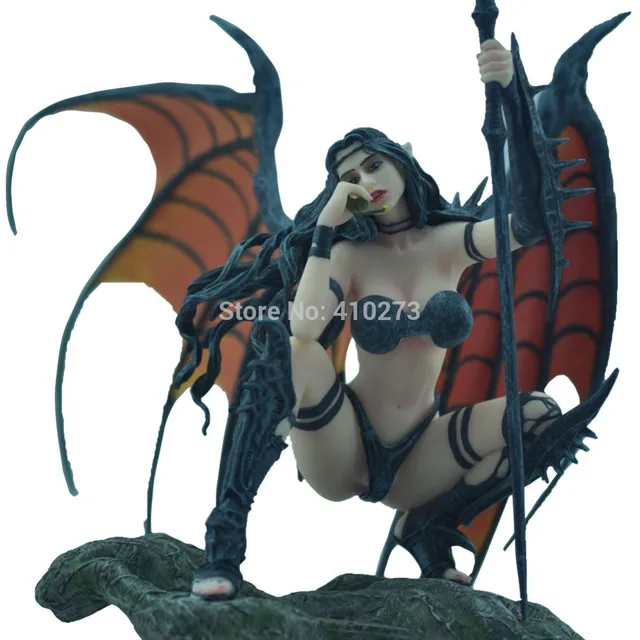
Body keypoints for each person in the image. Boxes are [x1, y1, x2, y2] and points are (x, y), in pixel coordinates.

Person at [173, 37, 616, 601]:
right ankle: (224, 540)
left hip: (422, 455)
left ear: (401, 159)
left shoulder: (448, 243)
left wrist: (510, 94)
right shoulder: (350, 255)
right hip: (341, 443)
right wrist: (326, 231)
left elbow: (528, 224)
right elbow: (305, 327)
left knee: (540, 416)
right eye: (350, 178)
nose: (366, 180)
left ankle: (428, 526)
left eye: (373, 165)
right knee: (282, 344)